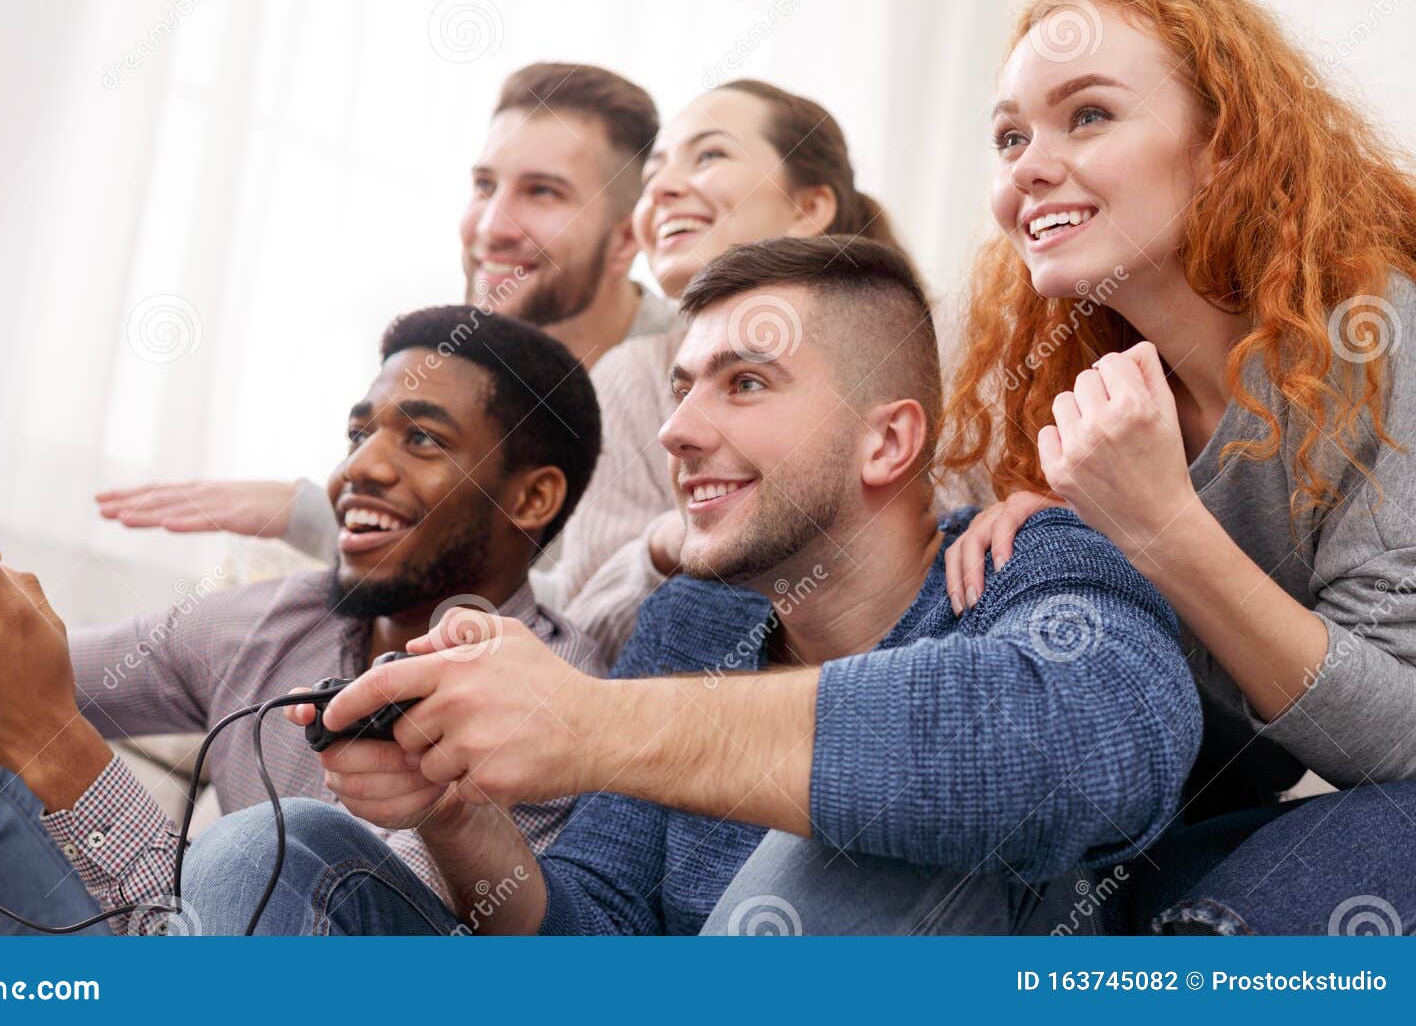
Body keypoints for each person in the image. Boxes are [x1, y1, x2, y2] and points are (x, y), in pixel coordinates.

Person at [179, 236, 1203, 936]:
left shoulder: (1027, 563)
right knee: (260, 850)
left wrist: (596, 727)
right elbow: (593, 940)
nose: (675, 431)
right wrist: (457, 811)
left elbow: (1101, 749)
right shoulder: (694, 619)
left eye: (744, 383)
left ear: (886, 439)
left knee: (853, 839)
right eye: (681, 388)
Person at [0, 307, 603, 936]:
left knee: (278, 845)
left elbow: (265, 939)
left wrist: (52, 742)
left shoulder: (554, 699)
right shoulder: (264, 620)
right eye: (358, 434)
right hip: (169, 951)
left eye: (422, 438)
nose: (359, 467)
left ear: (531, 498)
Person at [97, 77, 915, 663]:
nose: (493, 224)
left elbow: (557, 619)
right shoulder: (478, 366)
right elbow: (567, 614)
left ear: (622, 236)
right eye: (484, 185)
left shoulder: (850, 346)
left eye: (543, 193)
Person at [934, 0, 1416, 932]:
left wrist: (1158, 526)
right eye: (1011, 137)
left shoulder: (1376, 337)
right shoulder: (1066, 390)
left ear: (1222, 151)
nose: (1031, 166)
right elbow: (1212, 771)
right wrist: (1082, 556)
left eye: (1090, 114)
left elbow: (1396, 741)